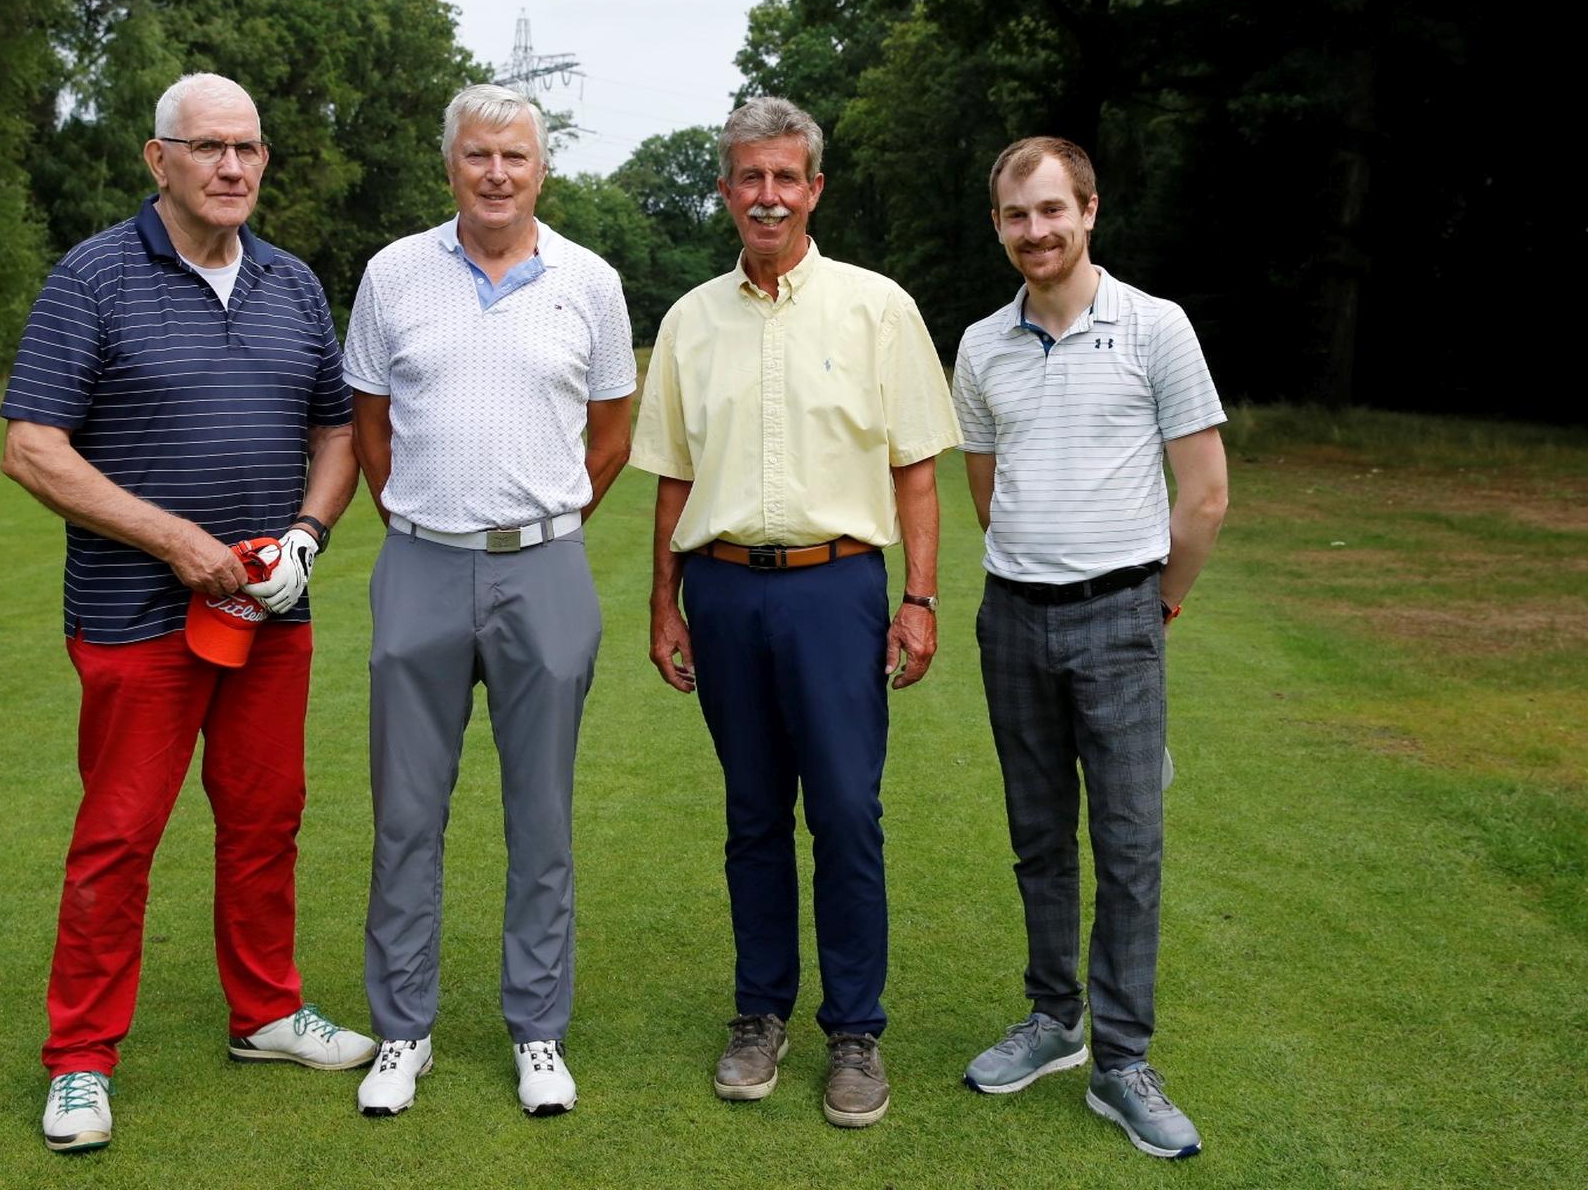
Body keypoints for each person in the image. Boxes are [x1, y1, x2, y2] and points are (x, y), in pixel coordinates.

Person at [0, 72, 373, 1155]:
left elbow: (336, 431)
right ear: (158, 159)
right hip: (133, 617)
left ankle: (265, 1011)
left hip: (269, 614)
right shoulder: (94, 276)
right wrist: (176, 542)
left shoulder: (293, 283)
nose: (232, 167)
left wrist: (305, 535)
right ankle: (80, 1057)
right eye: (208, 147)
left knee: (265, 820)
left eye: (247, 148)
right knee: (118, 836)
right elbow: (32, 447)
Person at [630, 96, 958, 1129]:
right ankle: (759, 1012)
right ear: (726, 190)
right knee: (753, 811)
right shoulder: (690, 321)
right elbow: (673, 478)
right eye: (749, 177)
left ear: (814, 188)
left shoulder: (876, 307)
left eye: (785, 176)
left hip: (837, 587)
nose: (767, 194)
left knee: (848, 811)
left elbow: (915, 470)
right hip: (724, 587)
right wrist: (664, 604)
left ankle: (855, 1030)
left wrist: (918, 599)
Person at [342, 83, 636, 1119]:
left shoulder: (591, 281)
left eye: (515, 156)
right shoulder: (392, 273)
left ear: (541, 168)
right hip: (419, 562)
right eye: (478, 155)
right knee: (405, 813)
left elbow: (611, 435)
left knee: (540, 814)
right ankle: (403, 1029)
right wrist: (429, 518)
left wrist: (538, 522)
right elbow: (370, 425)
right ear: (451, 164)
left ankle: (537, 1029)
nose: (497, 173)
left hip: (544, 569)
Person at [951, 136, 1228, 1159]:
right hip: (1013, 615)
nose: (1037, 231)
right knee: (1038, 835)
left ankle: (1122, 1059)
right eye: (1017, 215)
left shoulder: (1156, 326)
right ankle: (1054, 1018)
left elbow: (1205, 493)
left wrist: (1158, 607)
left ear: (1089, 210)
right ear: (999, 226)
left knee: (1129, 843)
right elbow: (989, 492)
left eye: (1052, 209)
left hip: (1121, 615)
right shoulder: (981, 344)